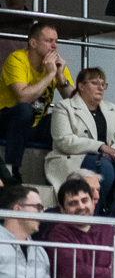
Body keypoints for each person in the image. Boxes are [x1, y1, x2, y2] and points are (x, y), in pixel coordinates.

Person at [44, 66, 115, 216]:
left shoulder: (113, 109)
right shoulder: (64, 107)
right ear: (81, 86)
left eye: (103, 84)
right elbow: (64, 140)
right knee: (103, 166)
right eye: (94, 83)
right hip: (74, 158)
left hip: (108, 159)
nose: (100, 88)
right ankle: (95, 214)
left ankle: (113, 206)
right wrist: (100, 147)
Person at [1, 21, 76, 182]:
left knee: (65, 115)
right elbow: (23, 97)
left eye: (56, 41)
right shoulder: (17, 59)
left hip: (35, 125)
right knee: (25, 109)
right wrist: (49, 75)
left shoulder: (56, 66)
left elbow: (76, 102)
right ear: (33, 43)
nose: (54, 46)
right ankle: (12, 170)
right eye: (49, 41)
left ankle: (63, 176)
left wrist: (60, 77)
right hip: (7, 121)